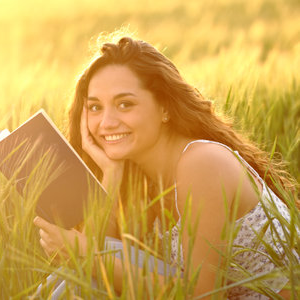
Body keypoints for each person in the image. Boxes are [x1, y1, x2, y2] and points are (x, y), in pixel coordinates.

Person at [33, 36, 298, 299]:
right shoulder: (141, 179)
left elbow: (201, 296)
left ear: (164, 107)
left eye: (125, 104)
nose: (106, 122)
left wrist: (83, 252)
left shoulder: (202, 162)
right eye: (94, 107)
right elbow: (88, 269)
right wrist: (111, 175)